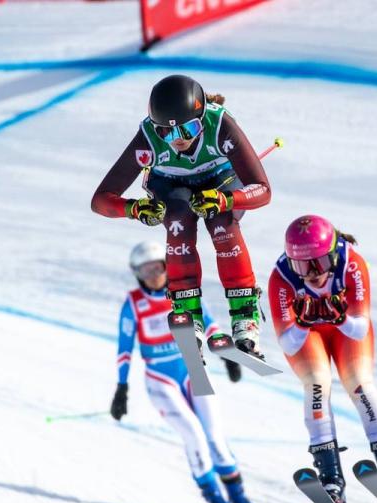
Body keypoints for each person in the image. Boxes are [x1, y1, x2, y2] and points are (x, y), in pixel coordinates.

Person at [91, 74, 272, 358]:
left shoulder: (221, 126)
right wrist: (133, 208)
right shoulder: (148, 137)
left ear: (202, 117)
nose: (179, 140)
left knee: (222, 223)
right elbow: (100, 200)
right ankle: (187, 311)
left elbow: (263, 190)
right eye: (168, 132)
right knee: (178, 221)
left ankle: (244, 316)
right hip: (172, 186)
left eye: (189, 129)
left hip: (222, 180)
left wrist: (226, 199)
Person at [267, 215, 377, 503]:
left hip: (347, 330)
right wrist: (305, 323)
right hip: (308, 336)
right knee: (316, 383)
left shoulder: (351, 263)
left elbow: (359, 328)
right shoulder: (281, 277)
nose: (311, 275)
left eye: (318, 264)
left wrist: (340, 317)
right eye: (302, 267)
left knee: (359, 383)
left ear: (333, 254)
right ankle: (331, 479)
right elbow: (289, 343)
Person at [109, 241, 259, 503]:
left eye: (157, 267)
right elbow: (124, 347)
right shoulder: (133, 304)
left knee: (215, 438)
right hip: (160, 380)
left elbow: (210, 324)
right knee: (195, 435)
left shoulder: (183, 294)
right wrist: (121, 387)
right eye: (145, 270)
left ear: (167, 266)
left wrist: (227, 355)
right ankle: (217, 501)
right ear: (137, 273)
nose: (152, 275)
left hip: (194, 370)